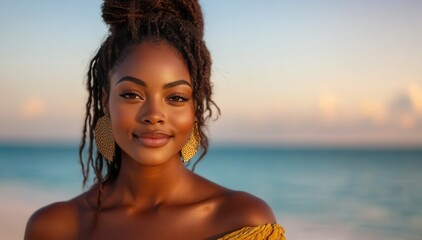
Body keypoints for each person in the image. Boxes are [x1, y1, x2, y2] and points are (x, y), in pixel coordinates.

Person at [24, 0, 286, 239]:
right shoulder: (54, 228)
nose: (153, 115)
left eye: (176, 98)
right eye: (131, 94)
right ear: (105, 101)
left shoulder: (243, 221)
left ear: (195, 107)